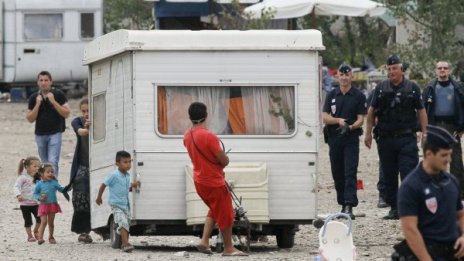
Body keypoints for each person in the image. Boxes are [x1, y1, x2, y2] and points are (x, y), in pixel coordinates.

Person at [364, 54, 428, 220]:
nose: (391, 71)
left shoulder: (412, 87)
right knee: (389, 174)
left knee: (408, 173)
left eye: (394, 68)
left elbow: (421, 110)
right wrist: (368, 133)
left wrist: (425, 132)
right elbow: (371, 111)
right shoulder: (380, 88)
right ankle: (394, 208)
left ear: (401, 70)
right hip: (386, 139)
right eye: (389, 69)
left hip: (406, 138)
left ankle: (409, 208)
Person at [183, 102, 247, 256]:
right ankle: (228, 248)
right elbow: (223, 161)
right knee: (226, 213)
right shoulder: (209, 136)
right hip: (214, 181)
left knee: (214, 208)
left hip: (199, 181)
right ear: (206, 116)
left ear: (190, 117)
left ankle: (204, 241)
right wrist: (225, 158)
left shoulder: (187, 135)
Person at [394, 125, 464, 260]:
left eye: (449, 155)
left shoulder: (451, 182)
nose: (448, 160)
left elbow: (460, 214)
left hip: (453, 251)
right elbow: (410, 229)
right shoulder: (411, 186)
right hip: (427, 252)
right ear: (429, 154)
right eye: (443, 155)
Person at [322, 64, 367, 219]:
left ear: (351, 77)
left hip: (350, 138)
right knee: (337, 172)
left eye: (347, 75)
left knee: (350, 171)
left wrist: (351, 127)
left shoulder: (359, 96)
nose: (344, 77)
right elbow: (325, 116)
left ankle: (349, 204)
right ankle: (342, 203)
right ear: (337, 76)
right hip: (334, 138)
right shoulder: (332, 95)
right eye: (341, 75)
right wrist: (339, 121)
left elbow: (361, 119)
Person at [423, 61, 464, 198]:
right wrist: (423, 129)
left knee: (456, 160)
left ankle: (458, 191)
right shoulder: (430, 87)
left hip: (452, 127)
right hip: (435, 125)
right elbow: (422, 109)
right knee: (434, 157)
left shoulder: (457, 87)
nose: (442, 70)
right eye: (439, 68)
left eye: (445, 68)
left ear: (449, 70)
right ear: (436, 71)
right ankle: (435, 188)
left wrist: (461, 127)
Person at [26, 71, 70, 178]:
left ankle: (53, 186)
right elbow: (30, 119)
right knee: (44, 163)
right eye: (41, 80)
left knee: (53, 161)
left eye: (46, 80)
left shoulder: (58, 94)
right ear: (38, 83)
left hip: (55, 133)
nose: (43, 83)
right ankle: (46, 187)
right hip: (40, 134)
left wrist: (53, 101)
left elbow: (67, 113)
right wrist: (37, 104)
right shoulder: (34, 97)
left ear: (51, 82)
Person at [95, 150, 140, 253]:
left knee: (127, 223)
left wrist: (134, 184)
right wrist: (99, 197)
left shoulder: (127, 176)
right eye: (125, 162)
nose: (128, 164)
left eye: (129, 162)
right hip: (116, 204)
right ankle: (125, 244)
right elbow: (103, 184)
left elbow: (126, 186)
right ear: (117, 163)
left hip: (126, 204)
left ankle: (123, 237)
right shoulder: (114, 175)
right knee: (123, 222)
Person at [68, 98, 92, 243]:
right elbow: (81, 132)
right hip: (83, 164)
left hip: (100, 164)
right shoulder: (77, 121)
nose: (86, 114)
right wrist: (88, 128)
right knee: (80, 196)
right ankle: (83, 230)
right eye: (84, 111)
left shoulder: (103, 119)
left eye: (89, 110)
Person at [33, 163, 69, 245]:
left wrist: (68, 188)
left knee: (51, 223)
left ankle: (51, 237)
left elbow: (61, 189)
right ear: (42, 173)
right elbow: (35, 194)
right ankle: (40, 238)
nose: (50, 174)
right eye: (48, 172)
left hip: (52, 205)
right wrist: (39, 198)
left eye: (52, 172)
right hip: (43, 205)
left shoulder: (54, 182)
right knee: (44, 222)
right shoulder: (39, 184)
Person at [13, 156, 41, 242]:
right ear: (27, 167)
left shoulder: (39, 177)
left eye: (38, 166)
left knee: (40, 219)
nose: (37, 168)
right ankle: (30, 236)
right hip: (25, 205)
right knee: (28, 221)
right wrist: (18, 195)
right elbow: (16, 187)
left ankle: (36, 230)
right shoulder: (22, 178)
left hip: (36, 203)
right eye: (34, 166)